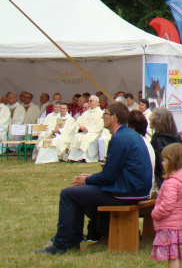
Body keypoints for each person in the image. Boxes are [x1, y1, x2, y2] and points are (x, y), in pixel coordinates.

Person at [34, 101, 152, 255]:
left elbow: (108, 177)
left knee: (68, 194)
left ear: (114, 117)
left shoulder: (120, 138)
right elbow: (113, 173)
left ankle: (62, 243)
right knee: (76, 193)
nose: (103, 117)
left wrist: (87, 180)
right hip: (136, 190)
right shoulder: (129, 134)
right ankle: (71, 239)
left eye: (106, 114)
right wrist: (91, 178)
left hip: (126, 192)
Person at [151, 143, 182, 268]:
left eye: (165, 160)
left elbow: (167, 205)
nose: (162, 163)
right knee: (178, 255)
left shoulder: (172, 182)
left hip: (169, 225)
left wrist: (155, 213)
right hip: (178, 224)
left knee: (172, 256)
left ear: (174, 161)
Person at [151, 107, 182, 189]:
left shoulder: (159, 140)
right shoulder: (177, 138)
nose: (149, 118)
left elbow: (161, 165)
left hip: (165, 183)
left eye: (151, 117)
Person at [68, 95, 104, 162]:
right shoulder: (86, 113)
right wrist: (81, 127)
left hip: (94, 133)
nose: (89, 102)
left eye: (91, 101)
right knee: (77, 137)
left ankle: (85, 158)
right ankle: (74, 158)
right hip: (85, 132)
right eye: (89, 101)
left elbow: (99, 127)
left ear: (96, 102)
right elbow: (80, 121)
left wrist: (88, 129)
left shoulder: (101, 113)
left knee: (86, 138)